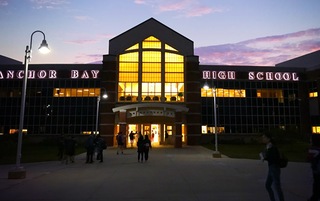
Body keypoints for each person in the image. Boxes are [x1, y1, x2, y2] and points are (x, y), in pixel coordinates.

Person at [260, 133, 285, 201]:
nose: (263, 139)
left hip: (274, 168)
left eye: (264, 137)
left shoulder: (271, 146)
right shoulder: (268, 146)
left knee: (277, 187)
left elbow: (274, 157)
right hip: (271, 168)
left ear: (269, 139)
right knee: (268, 185)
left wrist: (265, 157)